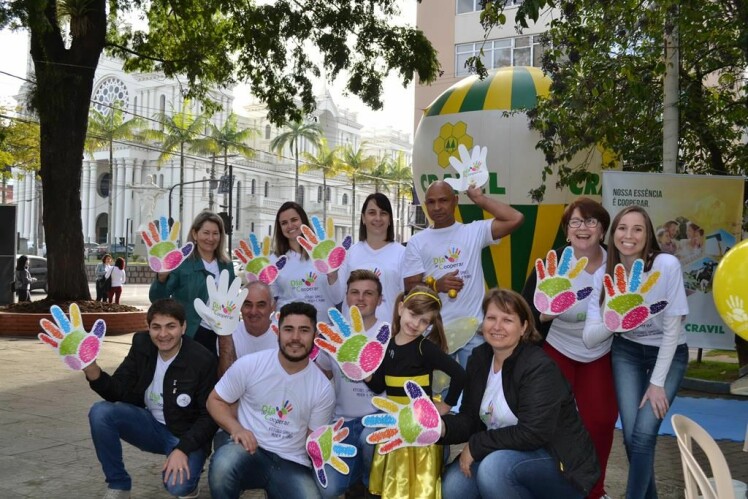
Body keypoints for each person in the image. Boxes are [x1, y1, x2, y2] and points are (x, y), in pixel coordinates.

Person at [440, 289, 600, 499]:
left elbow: (533, 433)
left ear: (524, 327)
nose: (497, 326)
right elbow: (470, 419)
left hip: (556, 461)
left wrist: (476, 445)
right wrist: (440, 428)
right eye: (491, 318)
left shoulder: (538, 366)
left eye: (507, 320)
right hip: (501, 451)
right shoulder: (479, 359)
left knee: (493, 470)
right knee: (453, 488)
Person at [583, 206, 689, 499]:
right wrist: (616, 320)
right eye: (622, 228)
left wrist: (657, 383)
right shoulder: (604, 277)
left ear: (647, 235)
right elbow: (591, 338)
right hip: (627, 352)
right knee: (632, 439)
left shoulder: (665, 266)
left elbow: (672, 329)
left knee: (643, 434)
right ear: (613, 233)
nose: (628, 235)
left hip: (669, 353)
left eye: (637, 229)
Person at [521, 197, 616, 499]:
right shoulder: (553, 263)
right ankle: (552, 488)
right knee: (549, 421)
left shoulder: (616, 265)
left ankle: (595, 491)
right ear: (566, 231)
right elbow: (526, 312)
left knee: (599, 421)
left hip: (598, 352)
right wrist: (544, 314)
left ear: (602, 230)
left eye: (591, 221)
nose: (583, 228)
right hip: (557, 348)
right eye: (575, 222)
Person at [84, 299, 218, 499]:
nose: (163, 335)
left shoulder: (202, 360)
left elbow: (209, 417)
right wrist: (91, 369)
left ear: (183, 327)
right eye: (156, 327)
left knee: (178, 487)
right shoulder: (142, 344)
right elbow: (119, 391)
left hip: (185, 435)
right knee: (101, 412)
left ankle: (191, 478)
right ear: (148, 327)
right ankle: (119, 485)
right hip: (150, 426)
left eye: (170, 326)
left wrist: (183, 449)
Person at [207, 302, 335, 499]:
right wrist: (237, 429)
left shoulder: (323, 388)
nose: (295, 338)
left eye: (304, 330)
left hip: (292, 462)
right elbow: (214, 401)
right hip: (251, 451)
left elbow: (313, 440)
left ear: (315, 336)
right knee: (223, 464)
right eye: (288, 329)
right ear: (278, 332)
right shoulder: (251, 364)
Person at [403, 181, 524, 366]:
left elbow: (515, 218)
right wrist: (437, 285)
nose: (437, 207)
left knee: (476, 390)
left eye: (443, 200)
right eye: (431, 202)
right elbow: (410, 288)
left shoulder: (473, 231)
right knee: (439, 394)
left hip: (474, 332)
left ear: (455, 201)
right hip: (436, 333)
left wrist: (479, 199)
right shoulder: (417, 242)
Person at [363, 286, 467, 498]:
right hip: (395, 424)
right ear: (401, 308)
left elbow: (460, 375)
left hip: (420, 429)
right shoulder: (388, 346)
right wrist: (364, 373)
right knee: (397, 484)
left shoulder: (424, 348)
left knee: (419, 488)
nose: (415, 324)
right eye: (413, 314)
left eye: (424, 321)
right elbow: (379, 386)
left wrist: (446, 405)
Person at [315, 270, 385, 498]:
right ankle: (357, 482)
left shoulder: (389, 334)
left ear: (380, 299)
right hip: (342, 422)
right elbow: (322, 375)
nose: (361, 298)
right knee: (329, 490)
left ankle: (370, 486)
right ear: (346, 296)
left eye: (368, 293)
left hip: (378, 419)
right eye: (355, 292)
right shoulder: (334, 334)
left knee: (368, 440)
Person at [150, 211, 235, 356]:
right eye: (206, 232)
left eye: (215, 233)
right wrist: (162, 278)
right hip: (192, 333)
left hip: (221, 334)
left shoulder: (226, 265)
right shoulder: (182, 264)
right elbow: (157, 299)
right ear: (195, 234)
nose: (210, 238)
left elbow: (232, 299)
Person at [334, 193, 406, 322]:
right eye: (372, 213)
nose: (378, 218)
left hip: (387, 335)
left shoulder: (402, 253)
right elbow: (337, 296)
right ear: (363, 218)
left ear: (390, 219)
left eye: (383, 213)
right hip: (352, 336)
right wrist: (330, 273)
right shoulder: (350, 253)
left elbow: (406, 298)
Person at [270, 201, 341, 321]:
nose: (290, 225)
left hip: (323, 327)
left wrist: (332, 275)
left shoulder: (324, 253)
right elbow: (273, 299)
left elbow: (338, 298)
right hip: (289, 330)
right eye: (284, 223)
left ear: (303, 220)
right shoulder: (275, 260)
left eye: (294, 220)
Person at [217, 280, 278, 377]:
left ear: (273, 307)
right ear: (240, 307)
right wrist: (224, 334)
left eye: (261, 305)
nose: (253, 311)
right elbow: (226, 380)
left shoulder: (283, 334)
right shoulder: (229, 333)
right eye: (248, 305)